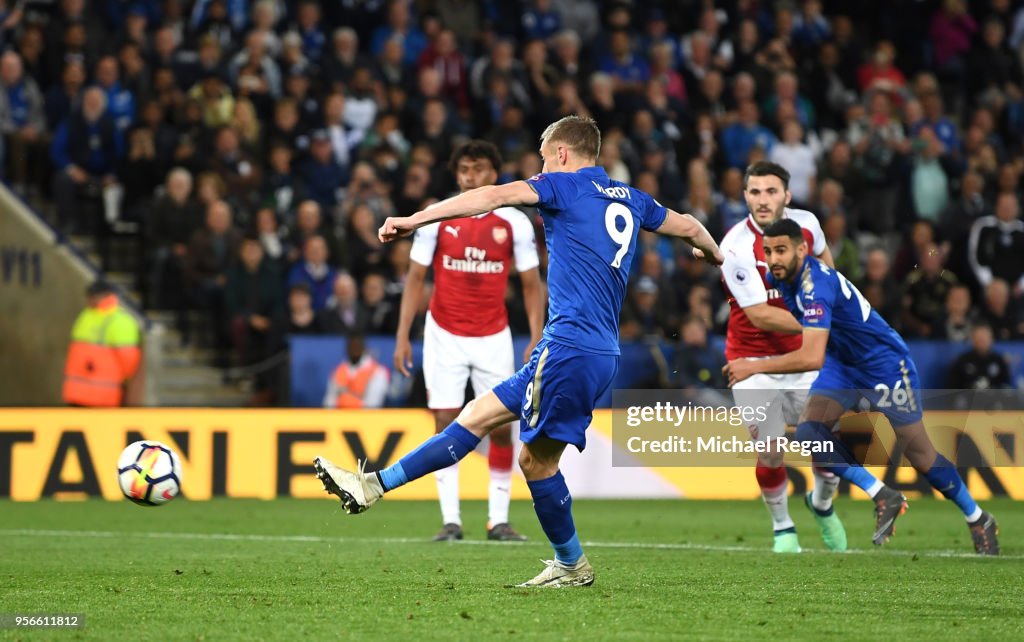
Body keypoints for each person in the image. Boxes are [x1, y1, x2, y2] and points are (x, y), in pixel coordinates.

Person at [314, 115, 723, 587]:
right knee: (475, 417)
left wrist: (415, 218)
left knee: (535, 461)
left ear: (563, 155)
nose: (541, 165)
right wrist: (711, 253)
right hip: (589, 348)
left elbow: (491, 197)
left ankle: (571, 564)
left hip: (570, 347)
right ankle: (373, 486)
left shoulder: (563, 187)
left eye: (546, 156)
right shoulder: (632, 199)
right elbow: (691, 224)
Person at [725, 218, 999, 555]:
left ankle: (977, 517)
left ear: (801, 249)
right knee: (810, 433)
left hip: (884, 364)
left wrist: (754, 365)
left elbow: (811, 357)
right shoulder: (778, 276)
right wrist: (709, 253)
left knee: (920, 453)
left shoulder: (814, 285)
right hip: (842, 365)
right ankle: (882, 495)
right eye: (768, 251)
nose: (774, 259)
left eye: (781, 250)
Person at [718, 161, 879, 553]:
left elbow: (828, 271)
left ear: (787, 195)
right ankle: (782, 527)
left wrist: (830, 312)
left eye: (771, 191)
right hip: (753, 361)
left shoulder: (807, 225)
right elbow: (759, 314)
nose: (762, 200)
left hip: (804, 357)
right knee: (771, 446)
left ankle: (821, 505)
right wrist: (817, 323)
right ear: (745, 197)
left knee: (825, 447)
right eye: (754, 192)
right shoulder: (735, 246)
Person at [394, 140, 544, 542]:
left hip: (493, 336)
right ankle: (451, 521)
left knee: (499, 425)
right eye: (463, 170)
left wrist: (535, 336)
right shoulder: (438, 216)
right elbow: (414, 279)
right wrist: (403, 335)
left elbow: (532, 285)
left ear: (493, 174)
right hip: (443, 333)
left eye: (477, 169)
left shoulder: (514, 222)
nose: (469, 177)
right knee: (444, 422)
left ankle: (498, 520)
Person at [63, 280, 142, 407]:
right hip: (77, 393)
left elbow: (129, 359)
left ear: (106, 296)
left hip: (103, 395)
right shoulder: (86, 315)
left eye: (93, 296)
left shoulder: (120, 321)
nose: (89, 299)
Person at [323, 335, 390, 408]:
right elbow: (329, 401)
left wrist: (348, 396)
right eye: (351, 346)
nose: (354, 350)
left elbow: (373, 403)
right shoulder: (338, 370)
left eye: (357, 346)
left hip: (364, 417)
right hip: (338, 416)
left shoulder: (378, 371)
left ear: (364, 348)